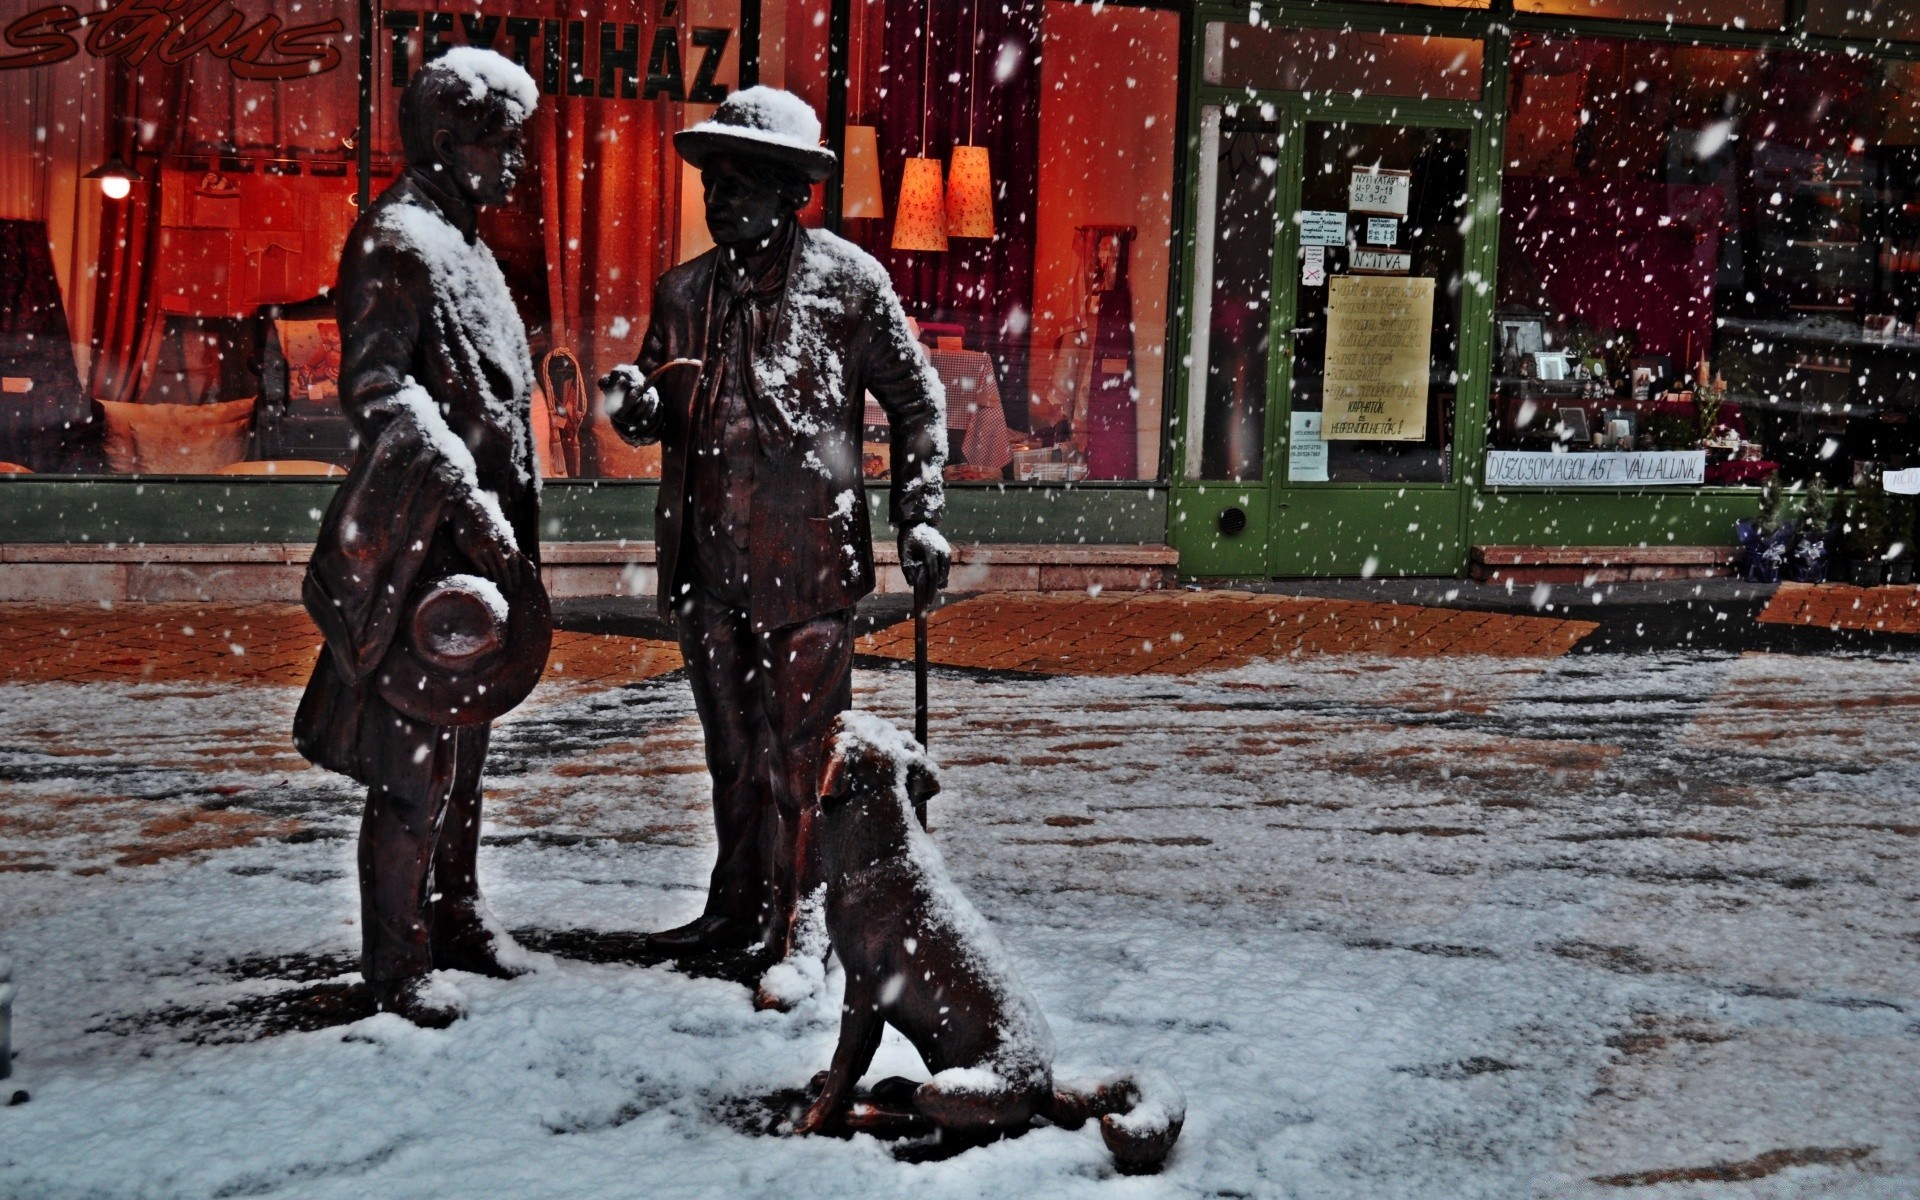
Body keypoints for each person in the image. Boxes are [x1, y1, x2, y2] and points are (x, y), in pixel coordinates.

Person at [601, 86, 951, 960]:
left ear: (793, 194)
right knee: (731, 752)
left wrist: (919, 515)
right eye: (715, 184)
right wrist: (633, 404)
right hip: (706, 564)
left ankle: (798, 923)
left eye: (743, 184)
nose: (722, 202)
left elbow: (917, 403)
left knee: (800, 757)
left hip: (806, 566)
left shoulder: (847, 283)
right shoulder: (682, 293)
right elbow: (655, 408)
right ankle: (735, 908)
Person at [293, 47, 546, 1028]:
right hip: (421, 547)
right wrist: (467, 499)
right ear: (451, 141)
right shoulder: (399, 240)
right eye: (506, 144)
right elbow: (379, 389)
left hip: (478, 552)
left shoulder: (466, 241)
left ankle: (456, 913)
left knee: (466, 747)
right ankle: (396, 962)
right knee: (411, 762)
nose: (519, 166)